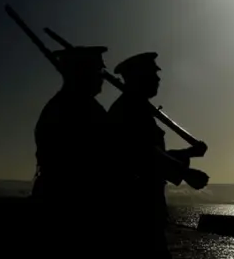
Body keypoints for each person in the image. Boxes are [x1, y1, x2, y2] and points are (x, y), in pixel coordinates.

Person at [107, 52, 209, 259]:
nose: (158, 79)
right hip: (134, 211)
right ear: (138, 77)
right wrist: (185, 173)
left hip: (144, 208)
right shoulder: (128, 110)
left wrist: (189, 153)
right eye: (152, 74)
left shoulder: (138, 108)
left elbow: (151, 152)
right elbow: (144, 154)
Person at [31, 46, 122, 257]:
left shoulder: (85, 107)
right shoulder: (71, 110)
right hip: (73, 212)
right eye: (98, 71)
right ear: (81, 72)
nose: (103, 78)